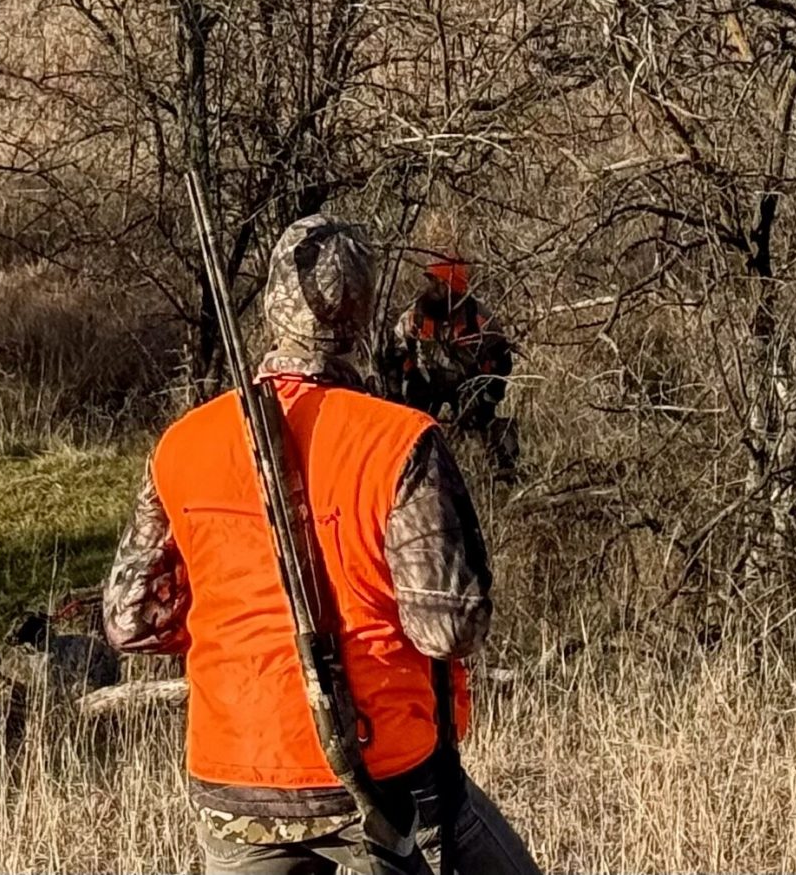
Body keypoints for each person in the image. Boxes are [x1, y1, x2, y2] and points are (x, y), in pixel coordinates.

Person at [102, 214, 539, 874]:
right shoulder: (399, 441)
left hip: (234, 779)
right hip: (385, 777)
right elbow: (449, 627)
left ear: (273, 303)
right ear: (362, 313)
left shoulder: (183, 443)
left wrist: (234, 613)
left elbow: (130, 620)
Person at [388, 255, 520, 484]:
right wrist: (405, 381)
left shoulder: (479, 318)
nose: (431, 288)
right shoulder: (416, 316)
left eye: (438, 283)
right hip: (427, 381)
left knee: (486, 421)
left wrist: (487, 397)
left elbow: (502, 360)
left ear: (453, 288)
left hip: (468, 383)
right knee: (412, 429)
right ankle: (409, 474)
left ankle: (505, 471)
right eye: (431, 282)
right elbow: (397, 350)